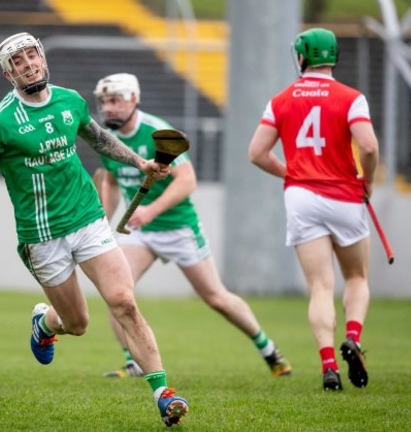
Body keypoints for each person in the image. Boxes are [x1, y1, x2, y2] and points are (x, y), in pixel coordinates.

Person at [0, 32, 189, 427]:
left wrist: (140, 163)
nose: (28, 64)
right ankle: (45, 323)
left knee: (124, 302)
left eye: (32, 55)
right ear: (7, 73)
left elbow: (99, 138)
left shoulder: (70, 101)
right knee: (78, 324)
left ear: (42, 58)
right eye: (19, 61)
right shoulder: (0, 123)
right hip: (42, 236)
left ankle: (163, 393)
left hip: (87, 218)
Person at [92, 73, 292, 380]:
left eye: (116, 100)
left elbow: (187, 181)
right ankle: (133, 362)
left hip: (178, 228)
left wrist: (150, 210)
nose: (109, 108)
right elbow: (112, 183)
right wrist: (103, 223)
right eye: (104, 101)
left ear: (134, 99)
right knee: (116, 292)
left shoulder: (158, 132)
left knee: (216, 298)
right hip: (141, 232)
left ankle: (268, 350)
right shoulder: (109, 139)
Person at [248, 27, 378, 391]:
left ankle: (328, 366)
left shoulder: (281, 99)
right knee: (357, 277)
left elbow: (257, 153)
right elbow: (367, 146)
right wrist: (367, 180)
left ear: (301, 56)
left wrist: (291, 172)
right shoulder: (352, 98)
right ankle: (353, 335)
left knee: (320, 287)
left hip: (301, 197)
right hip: (344, 195)